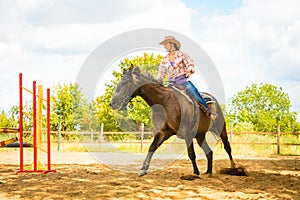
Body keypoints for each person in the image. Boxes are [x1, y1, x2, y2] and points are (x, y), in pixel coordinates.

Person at [157, 36, 216, 120]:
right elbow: (161, 75)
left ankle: (208, 113)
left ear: (172, 44)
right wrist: (157, 82)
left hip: (183, 82)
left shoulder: (182, 55)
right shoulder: (164, 59)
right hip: (171, 84)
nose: (164, 46)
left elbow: (190, 64)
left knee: (195, 94)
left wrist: (190, 69)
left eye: (166, 44)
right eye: (164, 44)